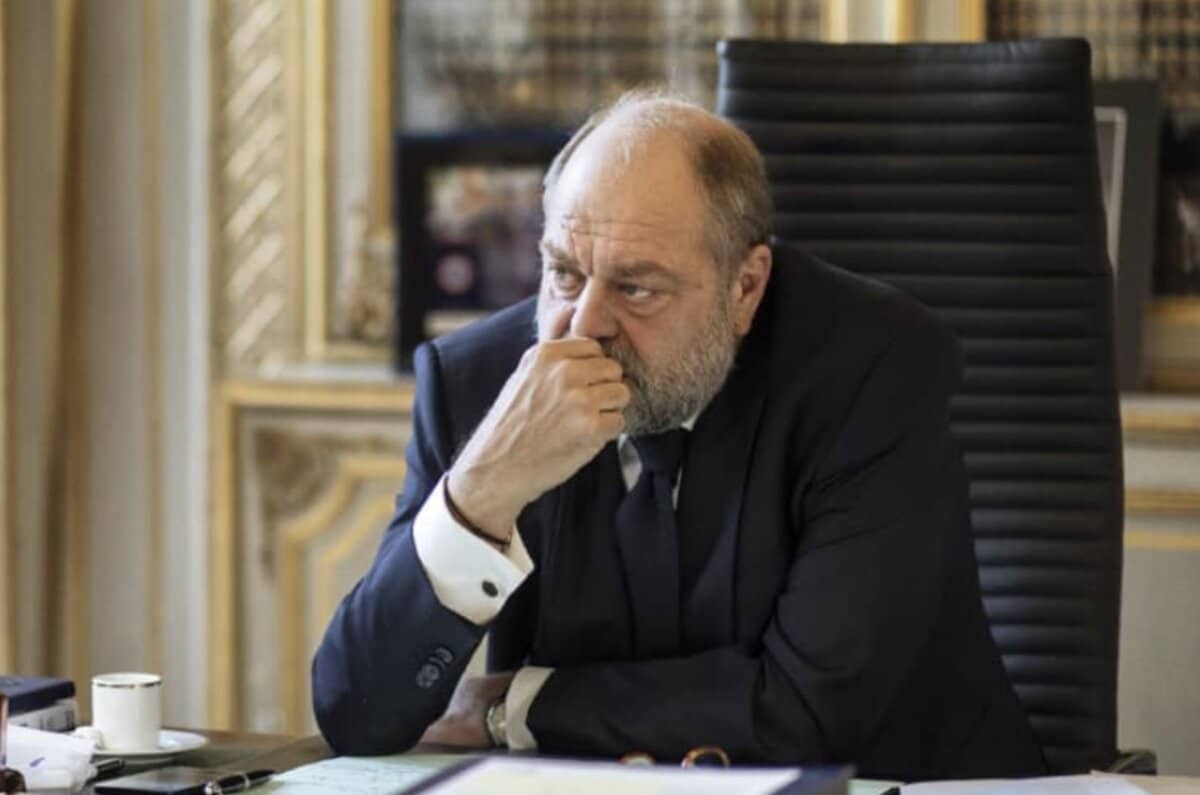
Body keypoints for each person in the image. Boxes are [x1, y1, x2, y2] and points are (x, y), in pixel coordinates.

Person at [311, 91, 1047, 781]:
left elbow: (808, 714)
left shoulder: (874, 371)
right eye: (563, 272)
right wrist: (481, 490)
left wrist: (516, 707)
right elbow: (357, 711)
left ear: (745, 287)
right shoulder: (477, 385)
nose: (582, 326)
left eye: (636, 288)